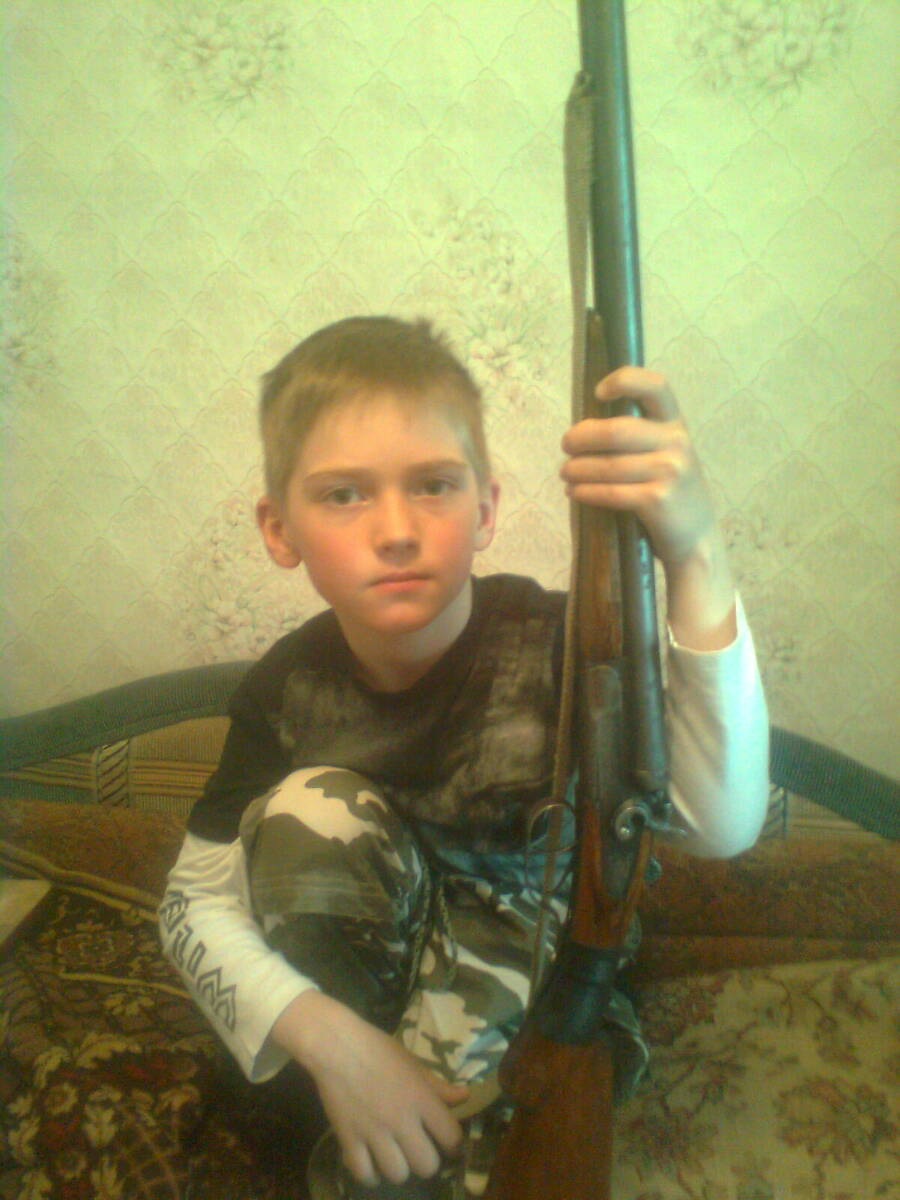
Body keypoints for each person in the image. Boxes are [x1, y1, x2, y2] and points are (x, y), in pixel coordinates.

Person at [159, 315, 769, 1196]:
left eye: (434, 486)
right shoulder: (282, 689)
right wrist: (331, 1042)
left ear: (484, 510)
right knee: (307, 813)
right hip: (361, 1002)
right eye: (344, 494)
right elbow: (193, 904)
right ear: (278, 528)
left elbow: (723, 826)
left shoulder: (569, 650)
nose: (396, 530)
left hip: (544, 1001)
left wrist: (697, 553)